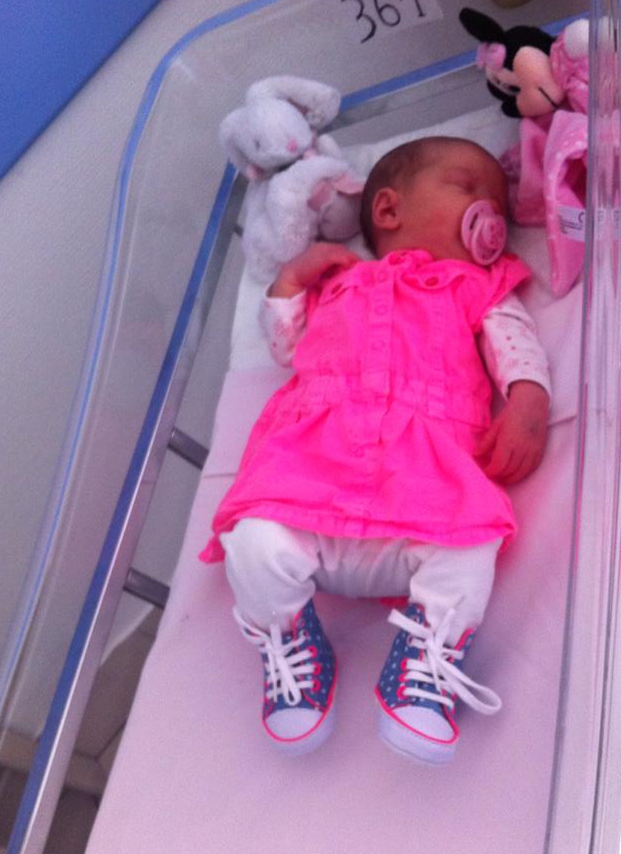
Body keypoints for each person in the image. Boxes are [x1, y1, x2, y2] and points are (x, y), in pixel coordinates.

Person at [200, 136, 551, 764]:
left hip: (425, 492)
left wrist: (527, 402)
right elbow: (287, 348)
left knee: (474, 543)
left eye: (497, 203)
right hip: (312, 480)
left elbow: (515, 343)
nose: (491, 212)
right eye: (467, 188)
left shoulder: (475, 286)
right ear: (388, 210)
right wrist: (288, 282)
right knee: (250, 542)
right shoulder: (340, 282)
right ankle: (290, 638)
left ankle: (425, 664)